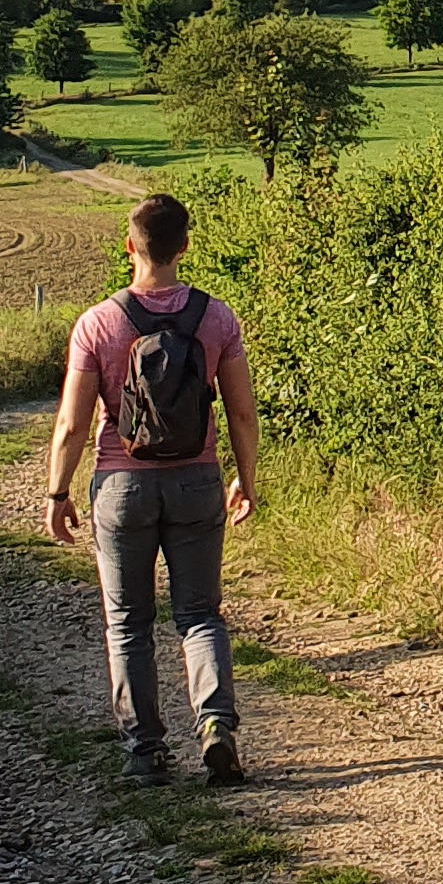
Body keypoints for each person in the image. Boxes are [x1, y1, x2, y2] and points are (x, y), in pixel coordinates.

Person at [43, 191, 261, 783]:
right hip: (197, 481)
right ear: (184, 247)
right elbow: (242, 414)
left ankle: (145, 751)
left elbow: (72, 423)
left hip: (120, 487)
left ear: (129, 246)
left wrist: (58, 494)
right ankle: (216, 727)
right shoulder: (217, 318)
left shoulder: (98, 323)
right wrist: (246, 477)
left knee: (127, 622)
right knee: (200, 614)